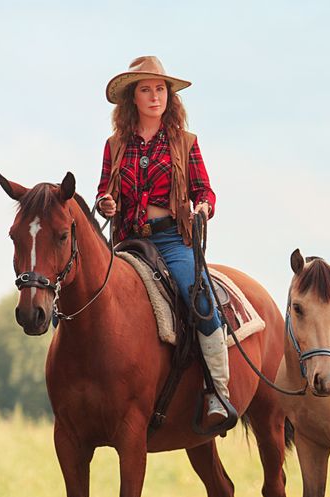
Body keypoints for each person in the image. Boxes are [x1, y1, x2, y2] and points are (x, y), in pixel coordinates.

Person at [96, 56, 232, 427]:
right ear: (133, 98)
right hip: (128, 242)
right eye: (146, 90)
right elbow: (105, 192)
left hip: (172, 239)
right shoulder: (115, 145)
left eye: (160, 89)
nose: (155, 96)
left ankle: (218, 391)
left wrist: (203, 207)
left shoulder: (185, 143)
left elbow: (205, 191)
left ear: (169, 96)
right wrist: (106, 203)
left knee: (199, 297)